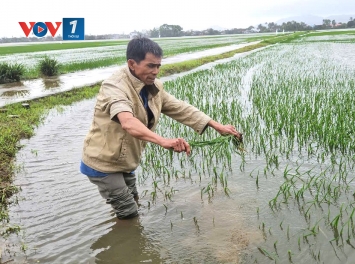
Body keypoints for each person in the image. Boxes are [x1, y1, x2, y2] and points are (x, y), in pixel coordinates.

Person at [80, 37, 242, 220]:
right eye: (150, 66)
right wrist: (164, 141)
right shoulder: (114, 87)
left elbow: (179, 108)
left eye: (158, 66)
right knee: (128, 212)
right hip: (103, 162)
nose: (156, 71)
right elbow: (127, 122)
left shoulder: (153, 86)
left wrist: (217, 126)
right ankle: (128, 242)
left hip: (126, 159)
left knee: (133, 199)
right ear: (132, 64)